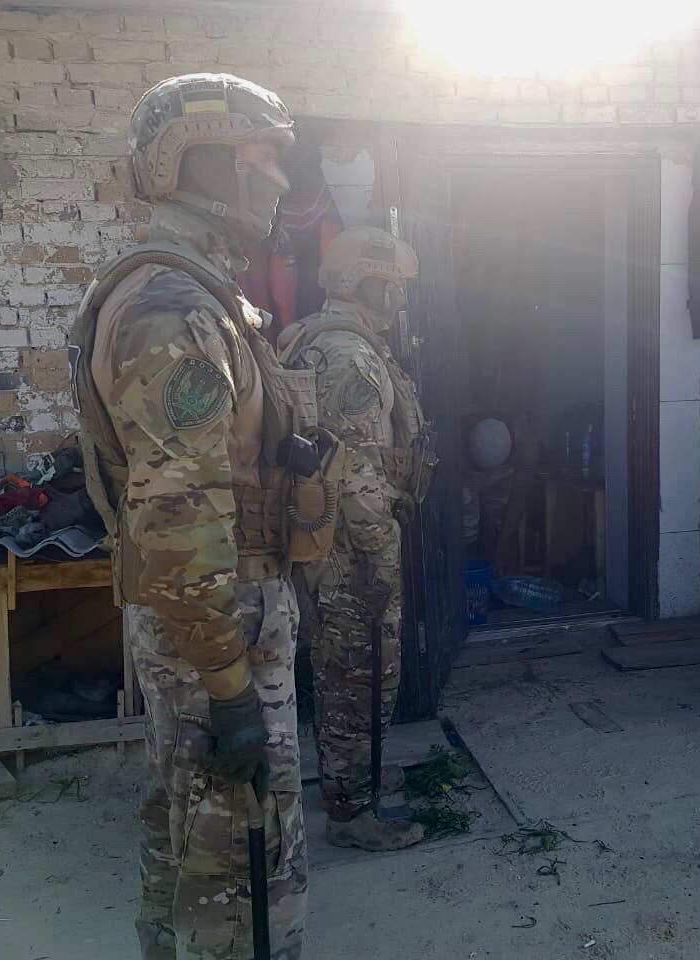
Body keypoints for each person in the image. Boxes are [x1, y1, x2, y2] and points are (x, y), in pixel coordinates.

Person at [69, 74, 308, 959]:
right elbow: (176, 524)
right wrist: (230, 687)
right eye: (264, 155)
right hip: (216, 627)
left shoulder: (195, 294)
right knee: (237, 867)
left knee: (191, 835)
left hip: (214, 621)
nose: (281, 180)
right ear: (204, 161)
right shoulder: (173, 310)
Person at [279, 227, 435, 850]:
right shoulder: (350, 356)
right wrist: (379, 552)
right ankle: (351, 813)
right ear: (363, 284)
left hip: (332, 541)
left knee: (347, 666)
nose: (399, 298)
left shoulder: (323, 339)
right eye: (391, 286)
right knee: (360, 671)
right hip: (352, 546)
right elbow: (355, 472)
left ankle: (353, 781)